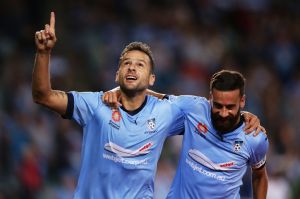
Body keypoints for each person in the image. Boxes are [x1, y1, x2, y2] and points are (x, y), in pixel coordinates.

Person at [32, 12, 264, 198]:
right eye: (127, 64)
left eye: (140, 65)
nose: (132, 67)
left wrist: (244, 116)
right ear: (117, 74)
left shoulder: (168, 110)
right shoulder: (95, 105)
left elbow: (222, 111)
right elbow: (43, 96)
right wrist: (44, 53)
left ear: (152, 79)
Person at [104, 70, 269, 199]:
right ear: (210, 97)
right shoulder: (193, 109)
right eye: (218, 106)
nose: (223, 113)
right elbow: (158, 98)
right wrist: (124, 90)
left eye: (230, 107)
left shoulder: (254, 138)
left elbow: (260, 176)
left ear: (242, 101)